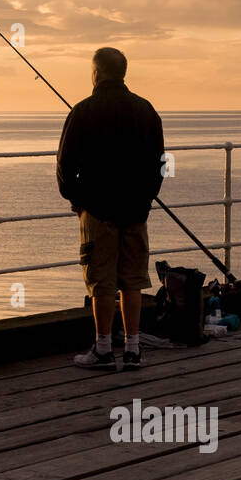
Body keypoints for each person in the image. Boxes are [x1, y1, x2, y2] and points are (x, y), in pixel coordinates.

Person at [55, 47, 165, 371]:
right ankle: (133, 349)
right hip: (135, 210)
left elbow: (65, 164)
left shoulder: (83, 111)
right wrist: (147, 198)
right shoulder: (146, 111)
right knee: (132, 281)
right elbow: (159, 163)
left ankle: (103, 348)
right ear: (123, 73)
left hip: (98, 211)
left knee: (101, 281)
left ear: (97, 73)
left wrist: (75, 198)